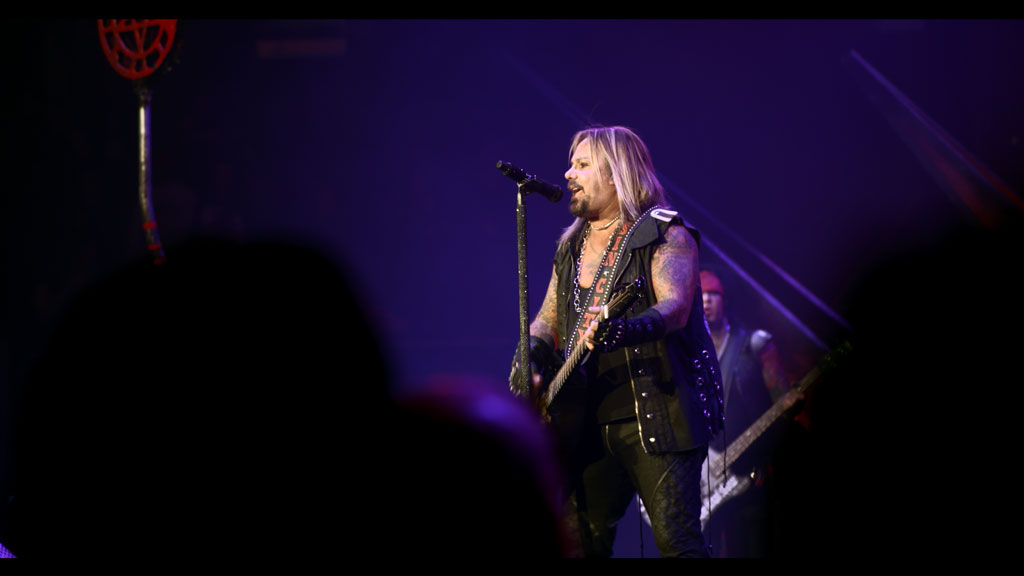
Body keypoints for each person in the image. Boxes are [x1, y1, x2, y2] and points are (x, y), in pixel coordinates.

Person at [510, 125, 725, 558]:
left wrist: (625, 329)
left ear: (616, 173)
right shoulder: (571, 247)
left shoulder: (666, 234)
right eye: (571, 164)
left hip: (657, 417)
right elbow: (548, 318)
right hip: (585, 423)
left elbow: (675, 307)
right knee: (577, 545)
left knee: (677, 543)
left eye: (582, 164)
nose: (568, 174)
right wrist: (528, 358)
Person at [699, 268, 801, 557]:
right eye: (701, 295)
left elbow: (782, 398)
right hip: (704, 476)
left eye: (713, 294)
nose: (706, 301)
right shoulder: (690, 355)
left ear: (725, 298)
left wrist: (790, 404)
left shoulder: (753, 344)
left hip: (750, 470)